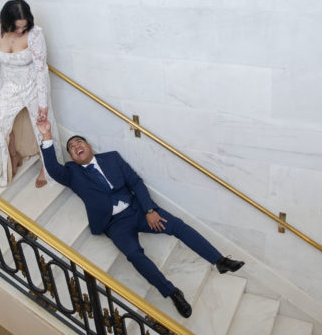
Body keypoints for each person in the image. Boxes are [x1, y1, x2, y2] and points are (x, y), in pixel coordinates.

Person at [35, 116, 244, 318]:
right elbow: (52, 168)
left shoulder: (112, 158)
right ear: (72, 157)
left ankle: (220, 261)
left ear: (88, 146)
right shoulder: (73, 173)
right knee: (134, 254)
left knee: (178, 226)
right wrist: (46, 134)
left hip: (138, 210)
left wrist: (149, 210)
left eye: (79, 142)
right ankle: (172, 293)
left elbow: (135, 182)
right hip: (114, 224)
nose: (75, 146)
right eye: (71, 147)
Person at [0, 0, 62, 188]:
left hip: (34, 85)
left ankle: (48, 167)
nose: (21, 31)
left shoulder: (35, 34)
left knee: (42, 127)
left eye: (24, 27)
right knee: (0, 127)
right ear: (6, 22)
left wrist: (43, 103)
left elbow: (41, 69)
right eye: (17, 27)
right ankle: (12, 158)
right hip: (10, 87)